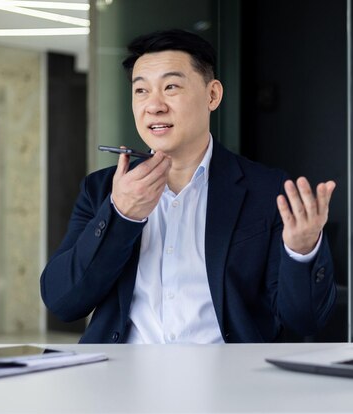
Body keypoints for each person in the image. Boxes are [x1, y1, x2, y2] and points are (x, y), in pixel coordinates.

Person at [40, 29, 337, 344]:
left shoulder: (266, 191)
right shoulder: (102, 190)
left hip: (228, 384)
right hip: (121, 381)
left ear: (212, 95)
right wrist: (120, 216)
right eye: (141, 91)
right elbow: (63, 302)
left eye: (170, 87)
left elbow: (304, 321)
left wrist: (302, 252)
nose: (153, 106)